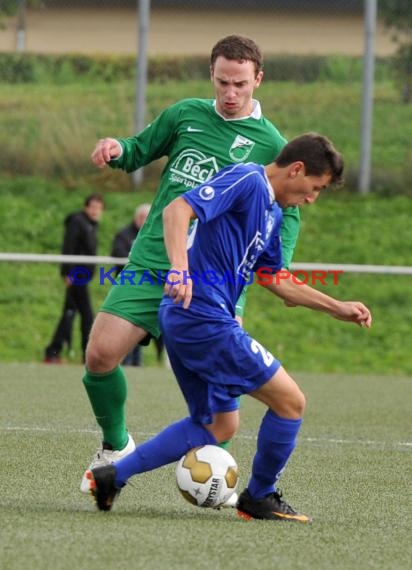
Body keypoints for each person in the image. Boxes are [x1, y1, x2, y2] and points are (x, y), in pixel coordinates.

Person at [85, 133, 372, 520]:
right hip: (203, 317)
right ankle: (260, 496)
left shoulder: (273, 213)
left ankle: (113, 475)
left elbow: (275, 278)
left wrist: (335, 306)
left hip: (191, 318)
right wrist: (179, 270)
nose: (311, 198)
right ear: (297, 170)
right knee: (291, 403)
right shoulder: (247, 179)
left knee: (217, 425)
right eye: (315, 188)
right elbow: (177, 210)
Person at [81, 35, 300, 495]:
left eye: (240, 83)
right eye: (222, 82)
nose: (230, 92)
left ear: (258, 79)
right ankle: (115, 447)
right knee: (99, 356)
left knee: (223, 418)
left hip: (217, 283)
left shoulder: (272, 145)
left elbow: (289, 208)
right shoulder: (185, 115)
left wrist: (277, 267)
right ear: (212, 76)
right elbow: (139, 148)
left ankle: (211, 477)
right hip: (155, 260)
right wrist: (117, 149)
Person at [43, 193, 105, 364]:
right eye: (93, 207)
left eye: (99, 208)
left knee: (69, 313)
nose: (95, 211)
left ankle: (53, 351)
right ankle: (85, 355)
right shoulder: (78, 222)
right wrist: (67, 273)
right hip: (76, 275)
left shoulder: (91, 225)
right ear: (86, 207)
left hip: (82, 276)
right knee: (86, 315)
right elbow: (68, 247)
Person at [111, 203, 151, 366]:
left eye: (146, 218)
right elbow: (118, 253)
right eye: (141, 217)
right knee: (125, 324)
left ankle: (136, 363)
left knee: (139, 326)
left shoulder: (152, 235)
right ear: (136, 217)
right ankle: (123, 361)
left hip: (145, 287)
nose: (143, 221)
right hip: (126, 286)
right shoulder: (123, 235)